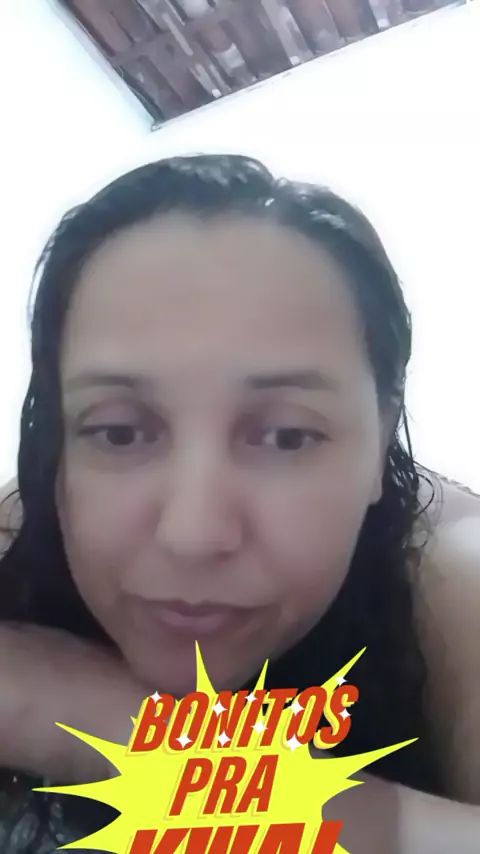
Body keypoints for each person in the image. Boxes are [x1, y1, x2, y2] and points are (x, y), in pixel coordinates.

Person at [0, 153, 479, 853]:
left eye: (286, 436)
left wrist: (100, 721)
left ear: (381, 439)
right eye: (120, 431)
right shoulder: (26, 533)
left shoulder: (452, 570)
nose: (193, 534)